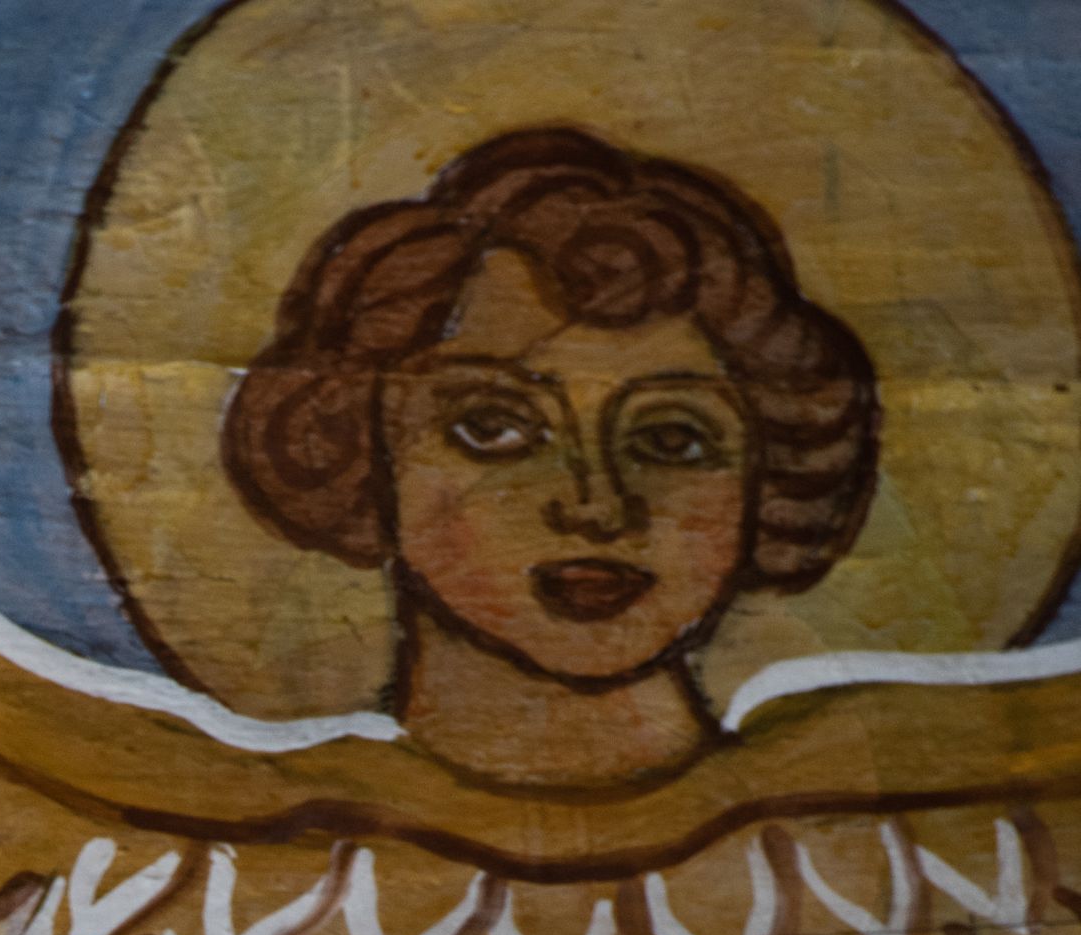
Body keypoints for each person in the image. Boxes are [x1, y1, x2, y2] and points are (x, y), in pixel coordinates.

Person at [223, 124, 879, 787]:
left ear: (769, 475)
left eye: (671, 440)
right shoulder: (262, 819)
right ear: (359, 452)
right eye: (493, 429)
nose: (597, 507)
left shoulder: (853, 807)